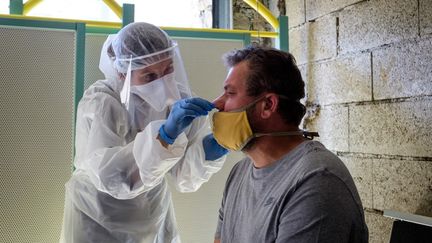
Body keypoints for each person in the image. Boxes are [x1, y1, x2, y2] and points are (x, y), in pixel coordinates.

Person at [60, 22, 228, 243]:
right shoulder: (102, 101)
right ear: (122, 72)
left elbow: (184, 178)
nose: (162, 82)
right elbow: (111, 177)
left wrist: (211, 149)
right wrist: (163, 137)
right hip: (98, 212)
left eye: (168, 69)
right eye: (149, 76)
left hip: (152, 208)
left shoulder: (178, 98)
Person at [212, 46, 368, 243]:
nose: (217, 103)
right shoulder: (239, 174)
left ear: (268, 105)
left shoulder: (317, 180)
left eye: (230, 93)